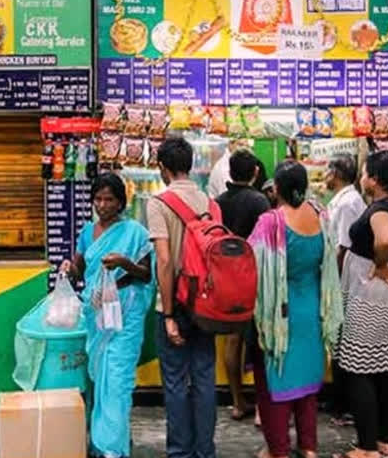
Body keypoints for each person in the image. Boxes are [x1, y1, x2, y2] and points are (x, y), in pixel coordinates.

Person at [248, 161, 343, 458]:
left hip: (279, 315)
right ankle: (309, 447)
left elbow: (251, 263)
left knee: (275, 381)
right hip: (314, 311)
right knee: (306, 385)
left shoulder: (270, 222)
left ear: (276, 188)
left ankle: (278, 450)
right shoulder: (321, 216)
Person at [333, 151, 388, 458]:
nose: (361, 178)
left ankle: (366, 447)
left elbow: (386, 240)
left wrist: (382, 261)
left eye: (364, 173)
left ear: (374, 179)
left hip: (373, 293)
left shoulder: (382, 209)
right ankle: (384, 442)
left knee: (358, 368)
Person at [60, 173, 154, 458]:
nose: (102, 205)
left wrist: (124, 263)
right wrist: (68, 267)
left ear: (121, 202)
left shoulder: (135, 232)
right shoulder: (88, 232)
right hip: (97, 315)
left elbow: (147, 274)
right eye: (98, 199)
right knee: (100, 377)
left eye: (109, 199)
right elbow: (79, 269)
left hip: (126, 317)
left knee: (117, 379)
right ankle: (104, 442)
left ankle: (112, 448)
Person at [147, 137, 217, 458]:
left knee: (175, 382)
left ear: (162, 167)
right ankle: (205, 451)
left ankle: (179, 453)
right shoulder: (211, 203)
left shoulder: (158, 203)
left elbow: (163, 260)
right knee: (204, 380)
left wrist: (169, 314)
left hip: (175, 303)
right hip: (206, 306)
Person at [215, 149, 270, 421]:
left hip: (226, 277)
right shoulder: (260, 201)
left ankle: (238, 402)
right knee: (260, 341)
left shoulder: (218, 202)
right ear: (256, 173)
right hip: (254, 276)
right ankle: (263, 407)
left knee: (232, 340)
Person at [325, 153, 367, 427]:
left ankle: (345, 407)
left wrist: (333, 284)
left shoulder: (349, 203)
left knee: (344, 344)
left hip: (346, 282)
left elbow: (343, 247)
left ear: (337, 173)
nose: (325, 175)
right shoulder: (344, 200)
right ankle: (340, 403)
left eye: (328, 170)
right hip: (343, 281)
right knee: (340, 344)